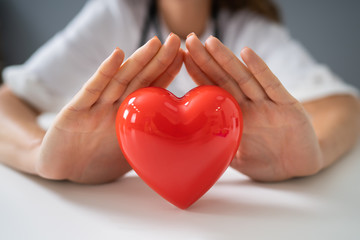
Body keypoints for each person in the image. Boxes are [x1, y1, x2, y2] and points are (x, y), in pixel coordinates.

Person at [0, 0, 359, 184]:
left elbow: (343, 106)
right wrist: (40, 155)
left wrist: (313, 152)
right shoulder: (114, 14)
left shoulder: (250, 28)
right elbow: (7, 101)